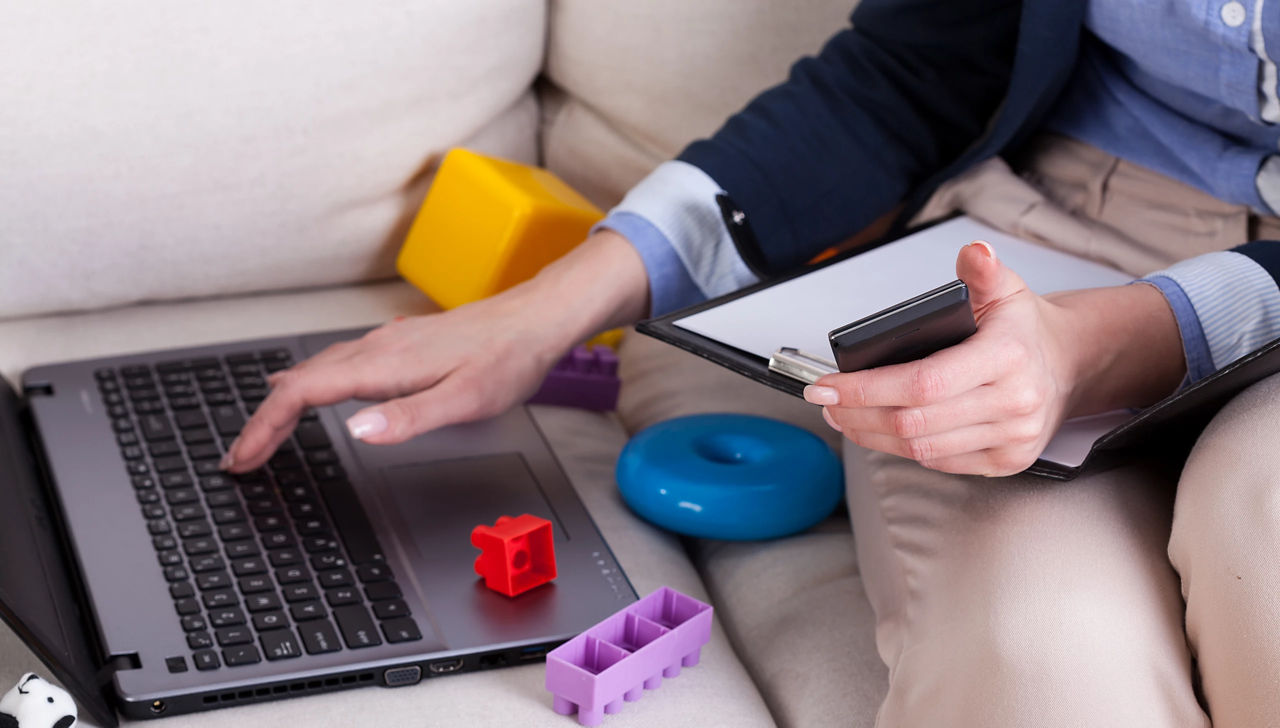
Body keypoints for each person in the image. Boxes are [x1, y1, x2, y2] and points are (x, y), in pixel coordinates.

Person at [223, 1, 1280, 725]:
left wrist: (1116, 340)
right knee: (1032, 655)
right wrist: (542, 310)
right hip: (1037, 234)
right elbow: (906, 77)